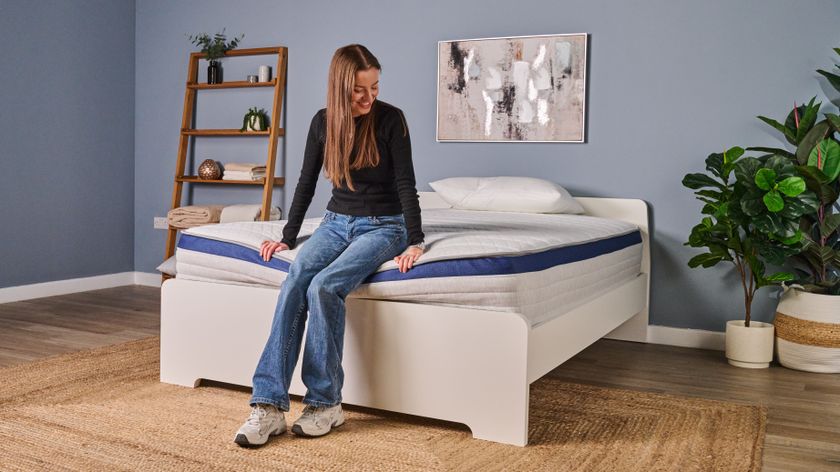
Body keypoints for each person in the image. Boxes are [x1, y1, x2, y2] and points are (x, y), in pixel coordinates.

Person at [234, 44, 425, 447]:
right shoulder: (323, 122)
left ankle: (325, 403)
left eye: (375, 87)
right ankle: (268, 405)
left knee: (324, 286)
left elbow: (406, 183)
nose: (369, 97)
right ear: (340, 86)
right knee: (296, 278)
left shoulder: (391, 119)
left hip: (384, 227)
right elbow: (306, 182)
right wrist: (287, 236)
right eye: (360, 89)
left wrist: (416, 241)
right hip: (335, 222)